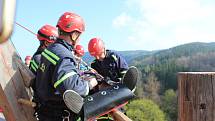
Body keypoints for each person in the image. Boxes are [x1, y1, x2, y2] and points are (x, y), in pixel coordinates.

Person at [35, 12, 98, 121]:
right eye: (79, 35)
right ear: (74, 35)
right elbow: (73, 90)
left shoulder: (50, 50)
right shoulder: (64, 56)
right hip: (58, 114)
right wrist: (90, 83)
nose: (79, 39)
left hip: (44, 110)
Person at [88, 37, 129, 121]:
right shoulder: (94, 64)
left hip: (118, 92)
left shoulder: (114, 57)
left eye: (98, 54)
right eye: (94, 55)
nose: (97, 57)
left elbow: (125, 72)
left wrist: (117, 82)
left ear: (103, 48)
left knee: (119, 113)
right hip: (103, 95)